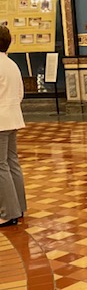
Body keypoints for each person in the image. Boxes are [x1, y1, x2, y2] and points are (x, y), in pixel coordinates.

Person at [0, 25, 26, 227]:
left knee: (1, 166)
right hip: (13, 117)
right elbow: (20, 94)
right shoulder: (11, 64)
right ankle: (19, 207)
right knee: (12, 162)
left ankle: (9, 213)